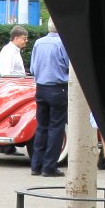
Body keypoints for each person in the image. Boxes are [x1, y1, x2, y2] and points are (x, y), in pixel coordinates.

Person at [28, 18, 69, 177]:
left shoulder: (38, 43)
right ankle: (49, 166)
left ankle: (36, 165)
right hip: (58, 88)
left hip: (41, 87)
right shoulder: (63, 43)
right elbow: (69, 65)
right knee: (56, 128)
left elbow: (32, 68)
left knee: (41, 126)